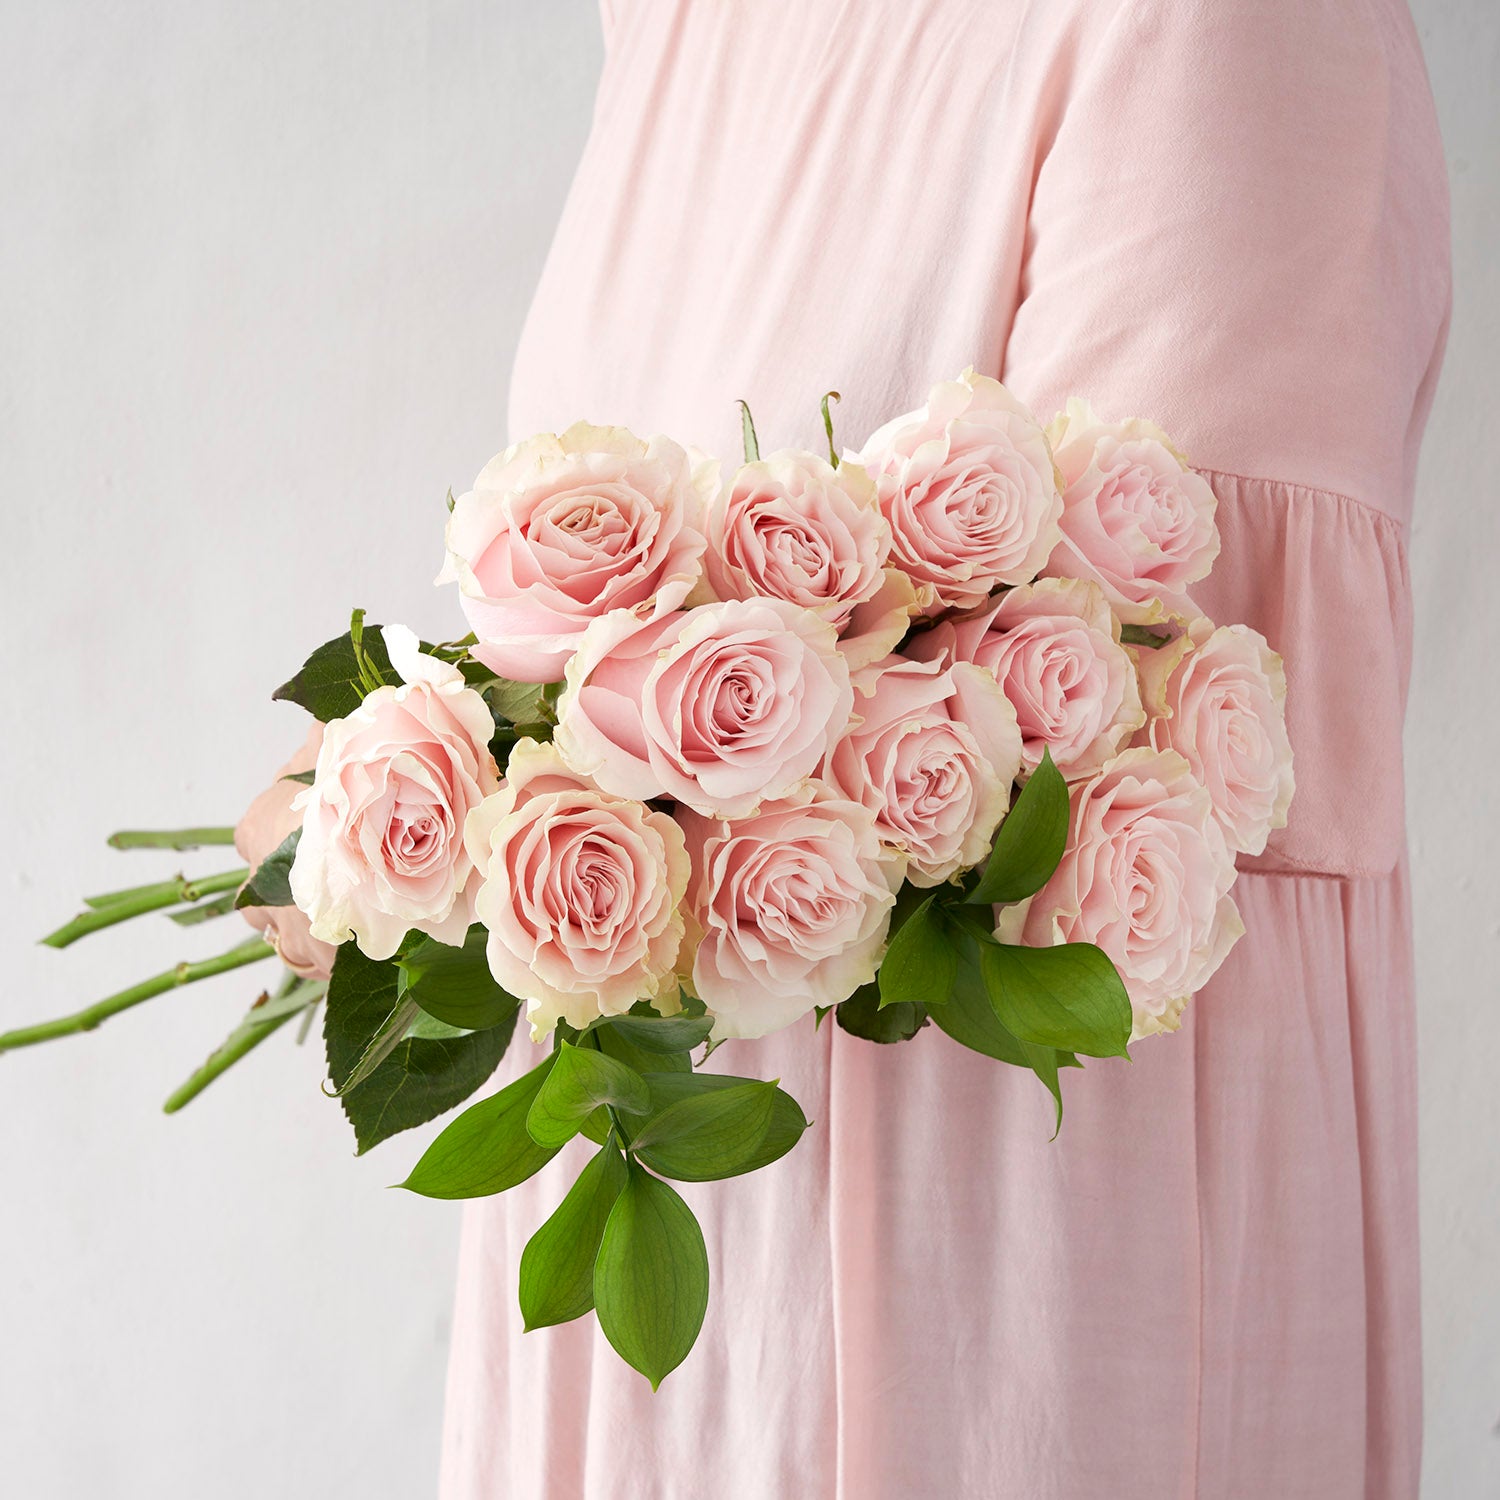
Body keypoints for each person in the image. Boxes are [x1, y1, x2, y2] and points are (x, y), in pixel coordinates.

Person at [437, 3, 1451, 1495]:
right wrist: (428, 813)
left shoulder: (1226, 29)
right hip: (644, 1173)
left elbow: (1131, 741)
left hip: (1006, 1262)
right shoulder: (670, 23)